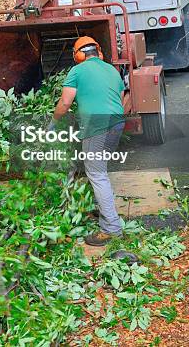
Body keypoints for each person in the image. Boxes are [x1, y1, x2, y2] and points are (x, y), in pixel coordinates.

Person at [52, 36, 127, 246]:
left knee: (96, 174)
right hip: (116, 124)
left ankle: (111, 229)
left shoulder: (77, 71)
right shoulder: (111, 69)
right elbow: (118, 98)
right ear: (98, 52)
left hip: (97, 127)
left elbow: (65, 102)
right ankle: (106, 216)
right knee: (100, 170)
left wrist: (53, 122)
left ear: (78, 55)